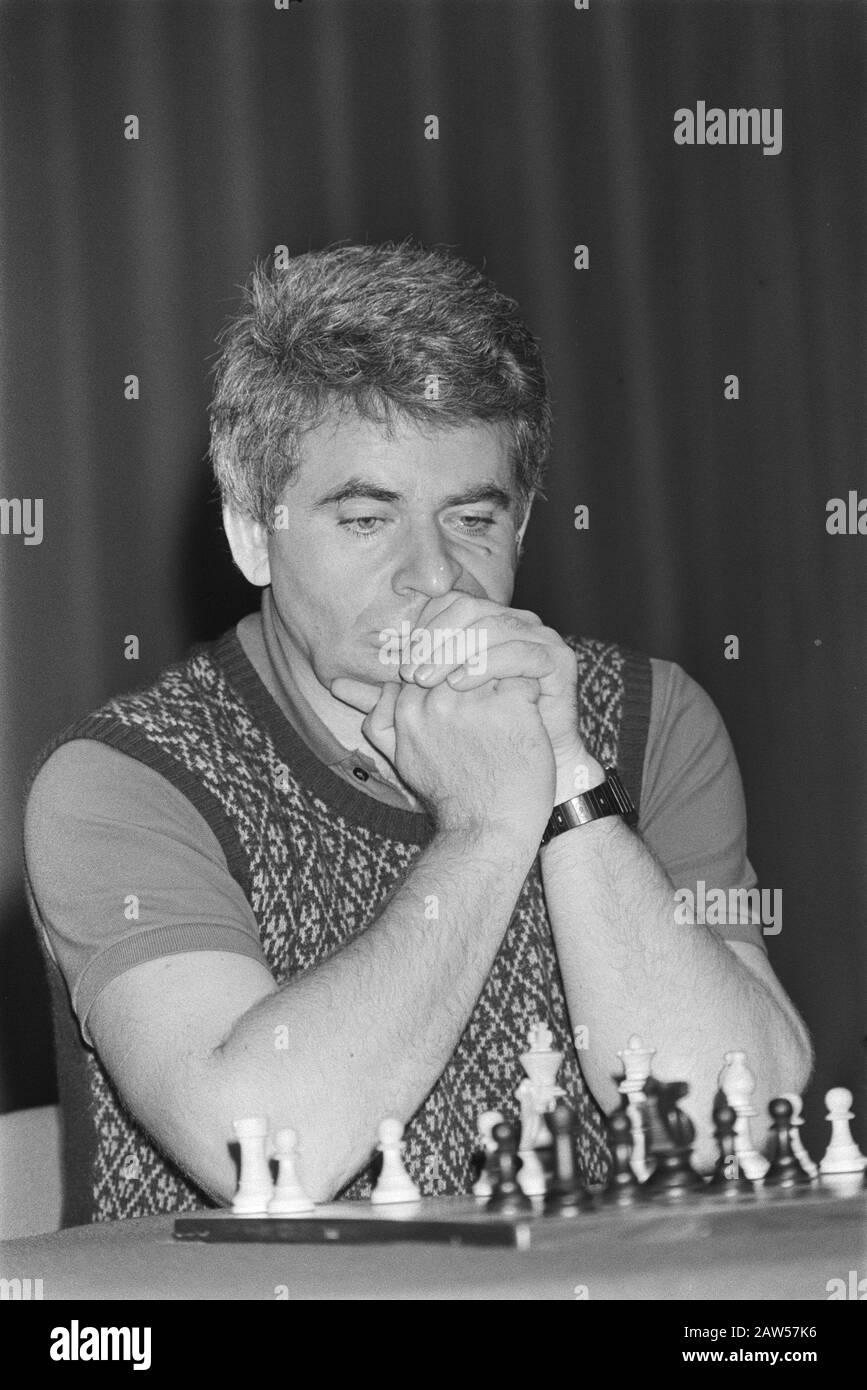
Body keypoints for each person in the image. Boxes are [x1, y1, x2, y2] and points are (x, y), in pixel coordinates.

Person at [24, 241, 811, 1224]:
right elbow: (268, 1147)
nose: (433, 576)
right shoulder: (125, 776)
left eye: (473, 518)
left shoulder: (654, 719)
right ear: (252, 534)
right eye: (367, 518)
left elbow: (729, 1118)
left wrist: (564, 773)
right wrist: (482, 832)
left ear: (521, 526)